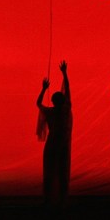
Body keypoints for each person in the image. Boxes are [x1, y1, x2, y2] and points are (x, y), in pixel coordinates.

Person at [36, 60, 72, 206]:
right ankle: (61, 199)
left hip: (52, 143)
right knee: (62, 171)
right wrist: (64, 73)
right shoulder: (65, 110)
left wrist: (44, 89)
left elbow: (38, 104)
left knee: (50, 171)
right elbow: (68, 91)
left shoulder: (50, 112)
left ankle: (48, 199)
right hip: (62, 143)